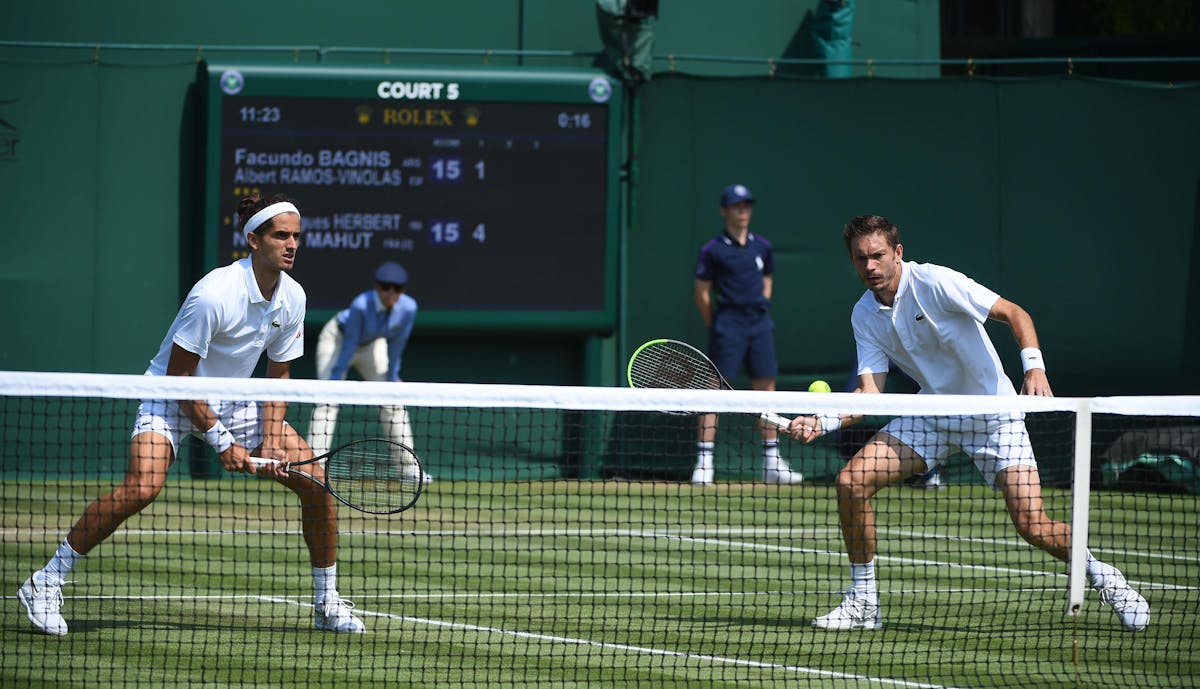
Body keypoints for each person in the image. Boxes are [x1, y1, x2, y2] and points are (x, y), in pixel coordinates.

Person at [17, 194, 366, 636]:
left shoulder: (292, 297)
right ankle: (46, 581)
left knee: (317, 486)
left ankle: (326, 602)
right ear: (254, 240)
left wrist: (272, 433)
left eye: (296, 235)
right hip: (171, 393)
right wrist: (224, 443)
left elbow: (279, 373)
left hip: (234, 398)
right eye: (282, 235)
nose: (292, 243)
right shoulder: (213, 294)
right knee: (142, 487)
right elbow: (181, 378)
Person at [787, 214, 1149, 632]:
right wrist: (822, 420)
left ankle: (1105, 576)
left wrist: (1034, 369)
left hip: (996, 418)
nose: (870, 266)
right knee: (852, 482)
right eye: (860, 259)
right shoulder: (863, 314)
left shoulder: (937, 282)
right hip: (934, 415)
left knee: (1034, 526)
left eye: (878, 256)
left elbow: (1014, 313)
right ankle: (864, 603)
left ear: (898, 253)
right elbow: (871, 394)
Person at [692, 183, 802, 485]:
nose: (743, 211)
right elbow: (702, 292)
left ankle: (772, 462)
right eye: (737, 205)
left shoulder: (762, 247)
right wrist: (716, 323)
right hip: (727, 324)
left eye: (747, 205)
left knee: (766, 390)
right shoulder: (712, 250)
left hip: (759, 324)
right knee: (712, 392)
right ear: (724, 210)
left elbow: (767, 279)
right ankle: (704, 463)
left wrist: (762, 303)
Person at [307, 261, 431, 484]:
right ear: (377, 286)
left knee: (393, 401)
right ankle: (313, 468)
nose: (391, 292)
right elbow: (350, 344)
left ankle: (409, 470)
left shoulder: (409, 308)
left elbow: (397, 345)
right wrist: (334, 380)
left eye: (397, 288)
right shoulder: (361, 305)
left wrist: (392, 377)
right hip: (338, 340)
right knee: (327, 401)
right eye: (385, 286)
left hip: (373, 345)